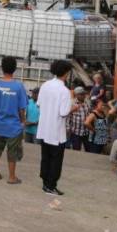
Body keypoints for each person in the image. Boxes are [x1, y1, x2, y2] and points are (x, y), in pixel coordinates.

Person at [36, 60, 79, 196]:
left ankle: (45, 184)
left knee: (45, 157)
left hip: (44, 128)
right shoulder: (64, 91)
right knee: (56, 160)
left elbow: (39, 104)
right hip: (56, 131)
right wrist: (74, 108)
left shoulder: (45, 85)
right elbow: (63, 112)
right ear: (66, 73)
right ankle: (51, 185)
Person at [0, 56, 27, 184]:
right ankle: (11, 177)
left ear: (2, 68)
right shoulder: (19, 86)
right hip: (14, 127)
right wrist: (23, 121)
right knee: (12, 152)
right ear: (14, 69)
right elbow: (21, 108)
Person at [66, 87, 91, 151]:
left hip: (86, 132)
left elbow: (90, 113)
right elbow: (68, 116)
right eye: (81, 94)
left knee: (89, 150)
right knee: (76, 150)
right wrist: (68, 128)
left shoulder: (87, 102)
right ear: (76, 95)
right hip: (76, 132)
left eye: (84, 94)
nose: (83, 95)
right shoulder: (72, 103)